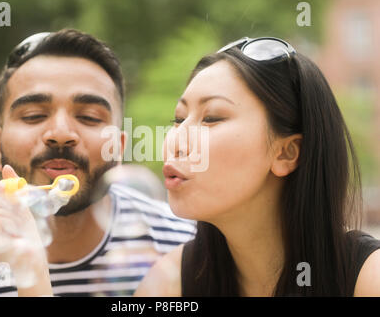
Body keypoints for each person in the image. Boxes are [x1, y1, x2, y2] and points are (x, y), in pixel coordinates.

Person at [0, 29, 196, 297]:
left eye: (90, 117)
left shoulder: (191, 248)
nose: (60, 134)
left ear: (119, 149)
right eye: (34, 115)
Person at [134, 37, 380, 296]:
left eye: (211, 118)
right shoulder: (168, 285)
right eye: (179, 119)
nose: (175, 141)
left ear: (287, 153)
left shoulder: (367, 280)